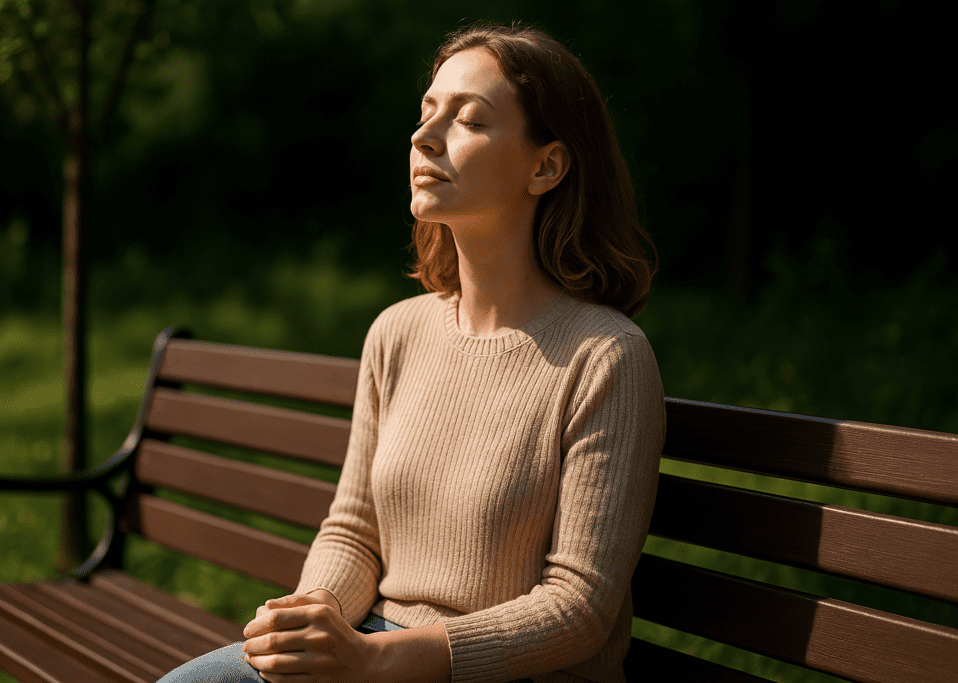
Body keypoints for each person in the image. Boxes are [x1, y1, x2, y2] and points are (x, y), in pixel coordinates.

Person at [156, 21, 664, 683]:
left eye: (470, 120)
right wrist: (316, 619)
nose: (424, 137)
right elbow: (354, 529)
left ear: (546, 165)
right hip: (372, 646)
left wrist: (378, 660)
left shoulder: (607, 358)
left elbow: (580, 608)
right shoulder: (398, 333)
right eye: (427, 113)